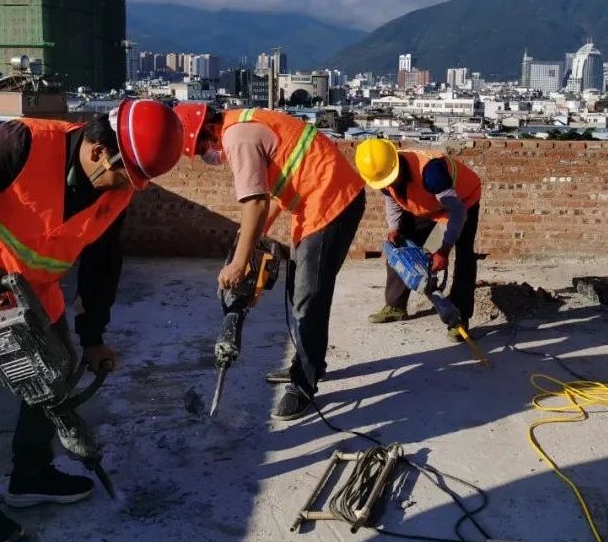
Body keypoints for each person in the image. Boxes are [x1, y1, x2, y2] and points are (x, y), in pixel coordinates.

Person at [0, 99, 183, 542]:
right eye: (126, 175)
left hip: (34, 293)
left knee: (57, 376)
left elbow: (102, 261)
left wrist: (94, 338)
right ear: (96, 151)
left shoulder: (117, 190)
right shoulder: (20, 143)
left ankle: (30, 475)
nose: (131, 188)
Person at [175, 104, 365, 421]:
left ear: (208, 130)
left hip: (331, 202)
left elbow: (256, 203)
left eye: (201, 147)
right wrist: (252, 241)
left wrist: (238, 264)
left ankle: (304, 383)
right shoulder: (244, 122)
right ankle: (308, 363)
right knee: (299, 291)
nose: (204, 155)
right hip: (320, 199)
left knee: (309, 298)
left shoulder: (237, 138)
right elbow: (274, 191)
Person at [354, 139, 482, 338]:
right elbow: (391, 198)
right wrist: (394, 228)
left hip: (462, 201)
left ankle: (459, 321)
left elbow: (457, 213)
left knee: (464, 255)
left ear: (396, 164)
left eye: (391, 180)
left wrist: (444, 250)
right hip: (424, 203)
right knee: (398, 246)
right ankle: (396, 306)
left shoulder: (432, 172)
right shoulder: (382, 175)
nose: (388, 185)